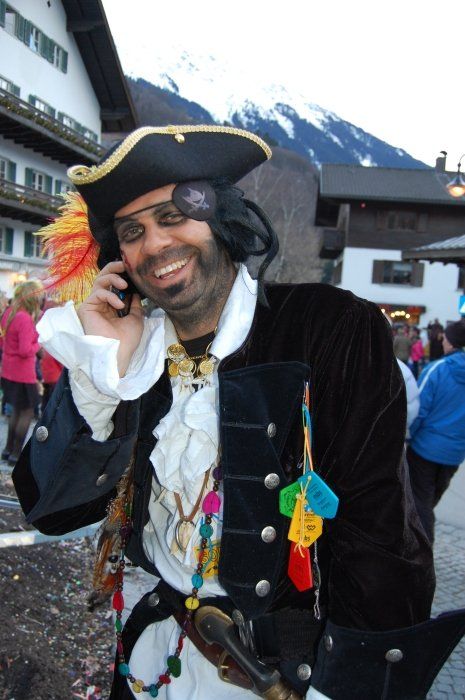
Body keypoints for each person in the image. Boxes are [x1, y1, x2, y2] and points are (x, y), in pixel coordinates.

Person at [12, 126, 465, 700]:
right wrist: (102, 371)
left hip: (284, 676)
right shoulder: (132, 356)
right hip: (157, 660)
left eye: (173, 215)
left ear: (222, 217)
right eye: (133, 232)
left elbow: (381, 538)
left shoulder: (329, 327)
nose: (155, 244)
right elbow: (52, 512)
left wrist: (347, 685)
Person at [407, 319, 465, 543]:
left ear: (450, 342)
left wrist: (410, 436)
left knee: (420, 502)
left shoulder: (436, 370)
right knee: (428, 501)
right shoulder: (438, 368)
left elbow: (418, 409)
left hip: (425, 448)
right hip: (454, 453)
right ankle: (415, 539)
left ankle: (421, 549)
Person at [1, 280, 42, 466]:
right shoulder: (24, 318)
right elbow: (26, 350)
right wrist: (39, 343)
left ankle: (8, 450)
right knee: (26, 412)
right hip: (23, 373)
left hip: (9, 371)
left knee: (16, 411)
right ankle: (16, 453)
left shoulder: (10, 313)